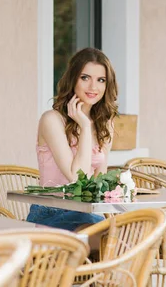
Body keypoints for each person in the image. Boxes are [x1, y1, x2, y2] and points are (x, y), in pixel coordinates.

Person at [26, 47, 119, 231]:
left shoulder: (105, 124)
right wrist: (84, 127)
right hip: (53, 213)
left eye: (101, 80)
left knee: (131, 235)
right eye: (85, 78)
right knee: (113, 243)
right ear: (73, 79)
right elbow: (78, 180)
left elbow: (97, 186)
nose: (93, 87)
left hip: (86, 215)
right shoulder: (52, 120)